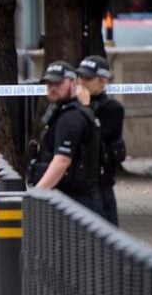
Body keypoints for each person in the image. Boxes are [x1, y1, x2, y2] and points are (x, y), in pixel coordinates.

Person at [29, 60, 103, 215]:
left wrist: (36, 194)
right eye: (49, 84)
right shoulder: (62, 112)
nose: (52, 88)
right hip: (69, 197)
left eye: (58, 83)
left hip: (75, 200)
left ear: (74, 83)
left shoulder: (71, 118)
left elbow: (62, 161)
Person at [76, 55, 125, 226]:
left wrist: (85, 107)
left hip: (99, 185)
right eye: (80, 77)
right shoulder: (71, 106)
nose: (82, 82)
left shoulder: (112, 109)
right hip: (74, 184)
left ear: (102, 80)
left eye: (88, 78)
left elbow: (94, 136)